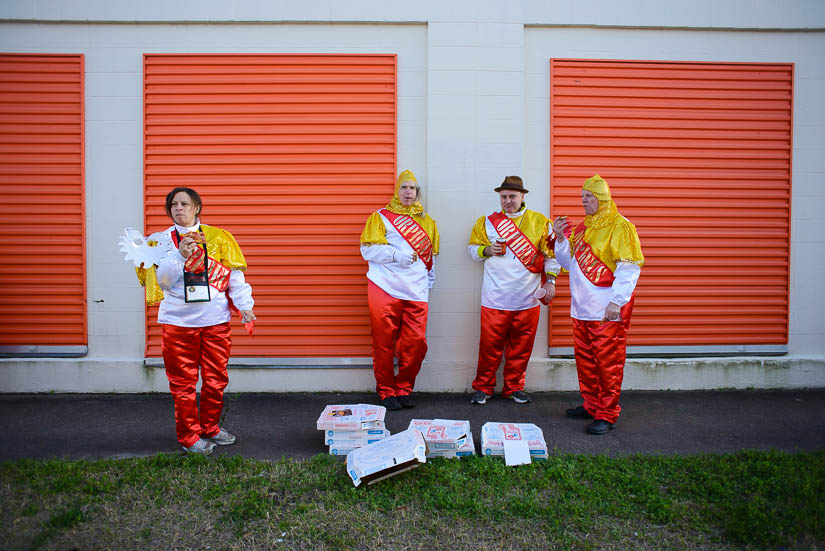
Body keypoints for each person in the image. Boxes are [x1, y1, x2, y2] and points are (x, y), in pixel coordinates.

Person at [135, 187, 256, 455]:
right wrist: (180, 255)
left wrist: (245, 305)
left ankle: (210, 427)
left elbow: (234, 276)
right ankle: (189, 436)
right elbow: (164, 282)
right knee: (183, 384)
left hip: (215, 320)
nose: (179, 208)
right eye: (174, 205)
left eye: (185, 204)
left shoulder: (219, 237)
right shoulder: (160, 242)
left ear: (196, 208)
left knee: (216, 380)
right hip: (178, 323)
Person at [552, 174, 644, 435]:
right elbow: (569, 265)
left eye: (589, 197)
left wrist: (617, 301)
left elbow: (629, 267)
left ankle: (607, 412)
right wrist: (560, 239)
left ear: (602, 198)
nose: (584, 201)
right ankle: (591, 404)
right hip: (581, 308)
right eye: (582, 197)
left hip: (606, 309)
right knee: (586, 361)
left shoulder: (620, 226)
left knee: (608, 363)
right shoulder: (582, 229)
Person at [467, 176, 560, 405]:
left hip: (527, 298)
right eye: (504, 197)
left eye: (512, 196)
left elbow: (552, 256)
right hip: (494, 297)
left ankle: (514, 388)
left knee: (521, 347)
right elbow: (472, 250)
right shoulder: (486, 222)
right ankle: (483, 387)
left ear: (523, 196)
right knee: (489, 347)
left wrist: (551, 282)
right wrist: (487, 250)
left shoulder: (541, 222)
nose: (507, 201)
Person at [360, 170, 439, 411]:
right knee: (383, 343)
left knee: (416, 344)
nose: (408, 192)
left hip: (416, 291)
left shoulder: (428, 222)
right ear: (397, 190)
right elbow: (368, 251)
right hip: (384, 287)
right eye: (404, 187)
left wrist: (429, 281)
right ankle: (386, 391)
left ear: (418, 193)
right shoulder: (380, 217)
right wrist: (395, 255)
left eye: (412, 188)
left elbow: (432, 258)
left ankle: (404, 388)